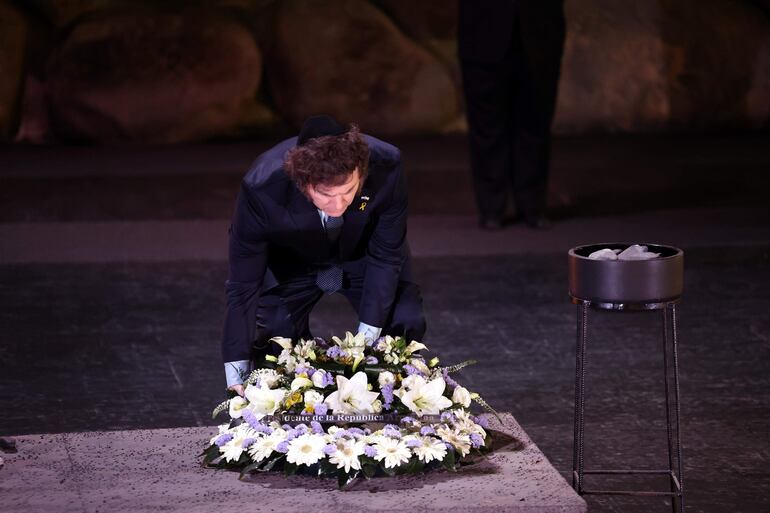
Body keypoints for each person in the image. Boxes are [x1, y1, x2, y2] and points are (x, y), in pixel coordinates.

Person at [222, 115, 426, 395]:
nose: (339, 204)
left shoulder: (387, 165)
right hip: (292, 261)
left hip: (363, 254)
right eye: (326, 195)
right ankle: (293, 399)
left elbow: (387, 256)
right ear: (304, 183)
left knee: (405, 317)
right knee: (274, 334)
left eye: (348, 191)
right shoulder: (261, 188)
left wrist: (364, 348)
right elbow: (243, 286)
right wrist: (236, 370)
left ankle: (387, 395)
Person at [458, 0, 566, 230]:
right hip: (482, 32)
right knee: (486, 126)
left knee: (535, 122)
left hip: (540, 32)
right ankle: (491, 208)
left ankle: (532, 206)